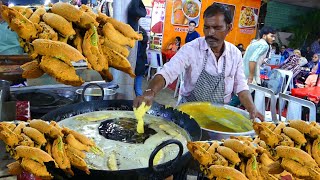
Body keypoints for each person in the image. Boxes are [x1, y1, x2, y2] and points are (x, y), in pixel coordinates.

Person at [134, 3, 264, 121]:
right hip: (188, 115)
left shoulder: (234, 54)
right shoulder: (191, 49)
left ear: (229, 28)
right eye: (207, 27)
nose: (210, 33)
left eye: (217, 27)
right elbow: (167, 73)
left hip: (218, 117)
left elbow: (241, 87)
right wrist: (149, 92)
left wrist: (252, 109)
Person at [134, 26, 148, 96]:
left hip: (137, 65)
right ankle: (140, 105)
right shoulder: (143, 34)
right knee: (137, 88)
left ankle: (139, 105)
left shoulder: (138, 40)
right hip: (140, 65)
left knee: (137, 89)